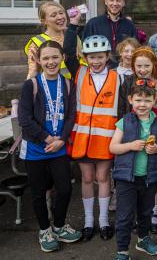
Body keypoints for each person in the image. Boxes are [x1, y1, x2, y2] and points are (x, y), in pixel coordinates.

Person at [18, 41, 82, 252]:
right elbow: (24, 119)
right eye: (45, 58)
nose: (50, 62)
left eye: (54, 57)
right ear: (38, 60)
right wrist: (48, 139)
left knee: (64, 188)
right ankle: (45, 229)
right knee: (38, 192)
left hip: (60, 147)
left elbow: (72, 114)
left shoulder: (68, 84)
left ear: (62, 57)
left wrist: (61, 140)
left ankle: (60, 224)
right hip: (36, 148)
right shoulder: (31, 85)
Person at [64, 31, 121, 242]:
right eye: (91, 57)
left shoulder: (117, 76)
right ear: (85, 58)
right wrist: (73, 26)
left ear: (107, 56)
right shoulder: (78, 73)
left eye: (100, 56)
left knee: (103, 178)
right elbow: (68, 52)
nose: (95, 61)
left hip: (106, 137)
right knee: (87, 179)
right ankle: (89, 221)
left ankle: (104, 220)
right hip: (82, 137)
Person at [110, 82, 157, 259]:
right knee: (124, 217)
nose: (142, 104)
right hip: (126, 178)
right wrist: (130, 145)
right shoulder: (124, 122)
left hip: (149, 178)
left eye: (147, 100)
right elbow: (113, 147)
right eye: (138, 100)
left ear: (154, 101)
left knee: (146, 212)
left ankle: (143, 239)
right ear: (130, 100)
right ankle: (122, 251)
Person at [116, 46, 157, 232]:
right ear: (133, 66)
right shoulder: (127, 82)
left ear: (154, 65)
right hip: (132, 135)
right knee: (134, 173)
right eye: (139, 66)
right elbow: (121, 110)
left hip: (156, 133)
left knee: (154, 173)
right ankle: (136, 215)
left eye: (147, 65)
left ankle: (153, 212)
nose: (143, 70)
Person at [25, 1, 84, 80]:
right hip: (51, 88)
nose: (60, 17)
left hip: (75, 87)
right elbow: (32, 75)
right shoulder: (36, 42)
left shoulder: (73, 36)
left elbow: (84, 61)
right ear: (43, 21)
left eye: (61, 13)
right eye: (53, 15)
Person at [83, 0, 137, 66]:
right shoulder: (93, 24)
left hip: (123, 69)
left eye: (118, 1)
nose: (115, 4)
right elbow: (85, 49)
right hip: (100, 68)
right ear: (106, 1)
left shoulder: (129, 25)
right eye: (111, 0)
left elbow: (135, 49)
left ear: (123, 3)